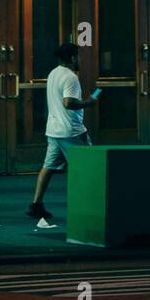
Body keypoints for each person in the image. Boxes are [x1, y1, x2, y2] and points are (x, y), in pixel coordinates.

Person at [27, 43, 93, 231]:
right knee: (89, 168)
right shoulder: (71, 77)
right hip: (71, 131)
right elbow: (68, 102)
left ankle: (36, 204)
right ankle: (87, 206)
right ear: (72, 58)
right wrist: (88, 103)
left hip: (53, 130)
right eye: (78, 57)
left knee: (48, 167)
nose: (80, 60)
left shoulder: (53, 73)